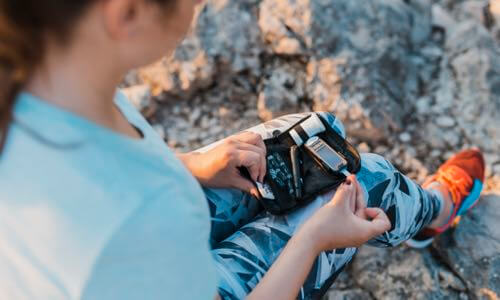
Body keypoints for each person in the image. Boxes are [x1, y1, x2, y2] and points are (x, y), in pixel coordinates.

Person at [0, 0, 485, 299]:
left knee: (307, 134)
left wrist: (190, 165)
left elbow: (110, 167)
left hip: (146, 253)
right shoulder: (134, 224)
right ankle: (432, 212)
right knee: (367, 180)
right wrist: (313, 239)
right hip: (168, 272)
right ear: (126, 13)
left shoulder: (42, 79)